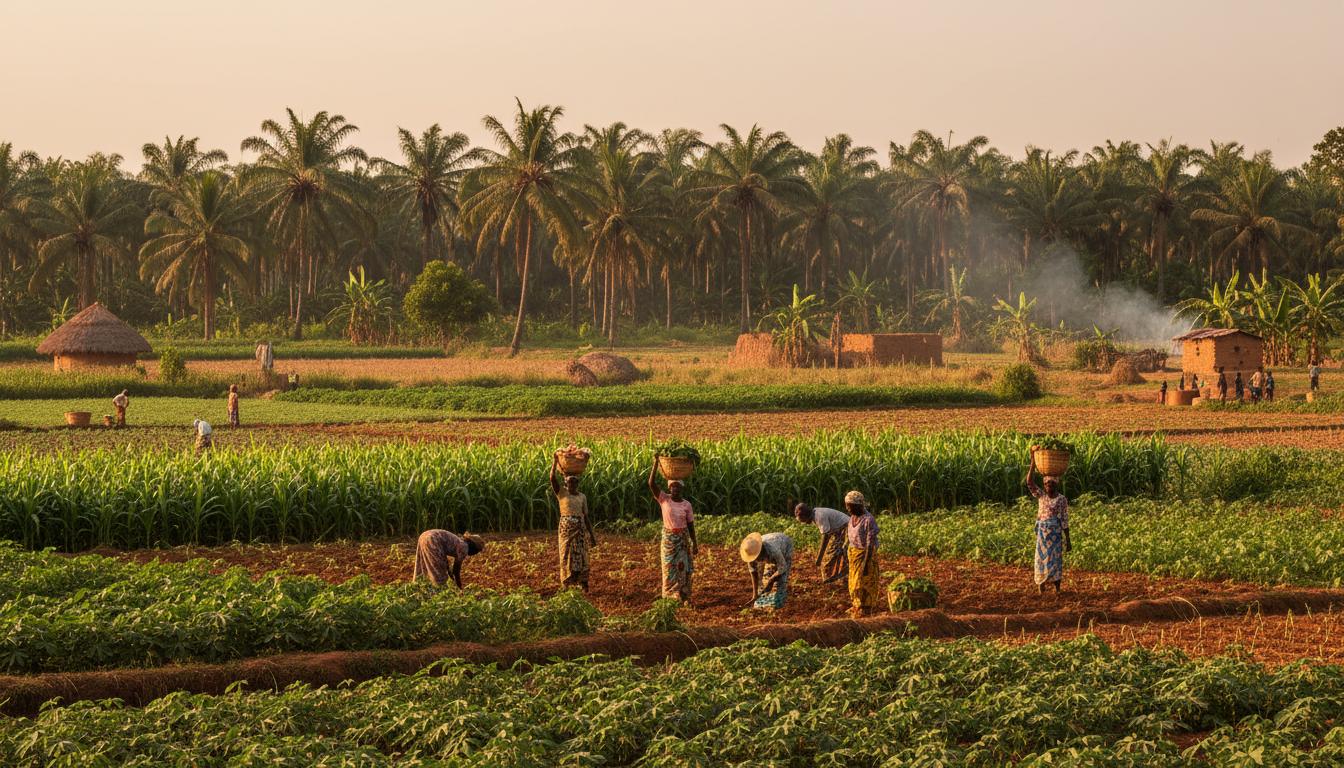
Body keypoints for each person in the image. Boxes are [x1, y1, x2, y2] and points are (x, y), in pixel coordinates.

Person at [649, 454, 697, 602]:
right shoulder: (664, 499)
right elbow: (651, 483)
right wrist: (656, 463)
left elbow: (690, 525)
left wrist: (695, 543)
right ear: (669, 487)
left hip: (682, 539)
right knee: (668, 567)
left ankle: (683, 595)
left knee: (682, 567)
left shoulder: (686, 505)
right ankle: (669, 596)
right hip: (669, 539)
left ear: (681, 488)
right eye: (672, 486)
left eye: (677, 486)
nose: (675, 488)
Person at [1026, 451, 1071, 595]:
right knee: (1041, 558)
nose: (1048, 487)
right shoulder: (1041, 496)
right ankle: (1041, 585)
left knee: (1056, 559)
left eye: (1051, 484)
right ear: (1044, 485)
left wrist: (1068, 540)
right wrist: (1033, 460)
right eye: (1046, 484)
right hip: (1042, 533)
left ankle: (1057, 588)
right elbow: (1029, 482)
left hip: (1055, 534)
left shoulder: (1061, 499)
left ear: (1056, 485)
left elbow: (1064, 518)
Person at [550, 453, 597, 591]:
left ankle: (583, 582)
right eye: (570, 482)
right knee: (566, 555)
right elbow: (552, 478)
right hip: (566, 529)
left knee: (581, 555)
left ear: (578, 483)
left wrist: (592, 536)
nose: (572, 484)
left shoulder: (582, 497)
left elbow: (586, 517)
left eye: (575, 482)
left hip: (580, 528)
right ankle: (566, 582)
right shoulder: (562, 493)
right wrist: (555, 462)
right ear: (565, 483)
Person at [844, 490, 881, 617]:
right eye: (847, 506)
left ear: (858, 505)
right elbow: (849, 535)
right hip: (854, 554)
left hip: (865, 555)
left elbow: (870, 545)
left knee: (864, 582)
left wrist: (865, 564)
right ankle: (856, 605)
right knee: (853, 582)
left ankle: (865, 608)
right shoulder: (852, 517)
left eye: (850, 506)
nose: (848, 509)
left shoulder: (868, 520)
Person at [794, 502, 849, 583]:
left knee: (829, 557)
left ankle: (830, 580)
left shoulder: (819, 516)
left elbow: (826, 537)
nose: (805, 523)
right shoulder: (816, 512)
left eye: (803, 521)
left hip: (846, 528)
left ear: (805, 516)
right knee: (836, 552)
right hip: (840, 530)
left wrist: (819, 558)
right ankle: (838, 577)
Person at [413, 529, 484, 588]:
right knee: (439, 573)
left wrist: (451, 576)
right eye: (477, 550)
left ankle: (417, 586)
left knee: (422, 563)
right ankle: (439, 592)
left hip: (424, 536)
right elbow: (456, 570)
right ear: (474, 546)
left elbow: (445, 562)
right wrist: (459, 587)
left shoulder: (459, 542)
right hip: (433, 539)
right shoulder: (464, 547)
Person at [741, 531, 794, 610]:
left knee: (781, 581)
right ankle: (763, 605)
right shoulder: (750, 553)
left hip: (785, 545)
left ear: (760, 551)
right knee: (765, 580)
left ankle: (779, 606)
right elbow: (753, 572)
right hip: (772, 549)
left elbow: (783, 567)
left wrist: (771, 580)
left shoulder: (773, 549)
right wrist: (755, 594)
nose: (756, 559)